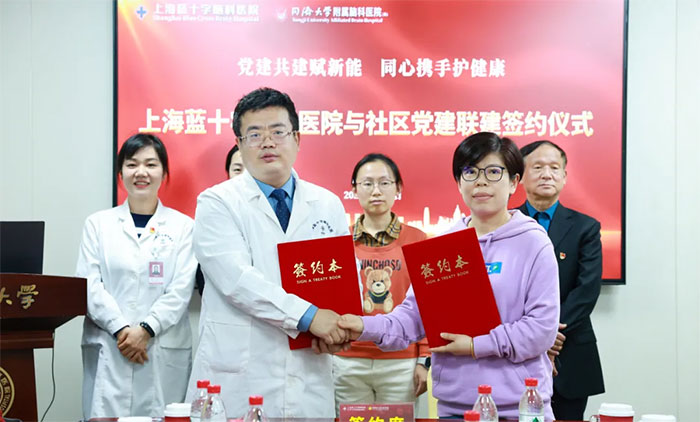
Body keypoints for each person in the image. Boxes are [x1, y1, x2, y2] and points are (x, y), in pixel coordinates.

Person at [338, 132, 560, 421]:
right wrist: (362, 325)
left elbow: (541, 329)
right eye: (470, 172)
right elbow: (412, 318)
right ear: (458, 182)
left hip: (519, 407)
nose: (481, 181)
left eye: (493, 172)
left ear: (513, 181)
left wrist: (475, 346)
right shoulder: (443, 246)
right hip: (456, 406)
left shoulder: (534, 243)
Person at [187, 87, 351, 418]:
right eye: (254, 134)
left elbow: (343, 279)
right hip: (240, 375)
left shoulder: (327, 204)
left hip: (309, 368)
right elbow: (238, 281)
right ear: (239, 144)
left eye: (278, 132)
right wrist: (310, 317)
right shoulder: (216, 202)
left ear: (297, 138)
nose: (267, 142)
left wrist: (338, 328)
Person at [76, 133, 196, 419]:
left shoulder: (184, 227)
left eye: (151, 164)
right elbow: (90, 286)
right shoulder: (98, 225)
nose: (141, 172)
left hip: (161, 345)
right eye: (132, 164)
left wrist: (145, 330)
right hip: (110, 345)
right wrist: (122, 331)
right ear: (121, 174)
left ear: (164, 173)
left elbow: (180, 290)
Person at [333, 153, 429, 412]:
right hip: (348, 360)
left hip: (401, 361)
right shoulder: (338, 241)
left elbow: (427, 306)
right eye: (367, 183)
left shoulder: (418, 240)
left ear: (398, 188)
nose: (376, 190)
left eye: (384, 183)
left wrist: (424, 359)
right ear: (354, 189)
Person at [518, 140, 605, 421]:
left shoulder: (585, 227)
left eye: (555, 168)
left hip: (569, 349)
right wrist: (535, 333)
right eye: (538, 167)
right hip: (517, 349)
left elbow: (587, 290)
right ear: (520, 176)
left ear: (565, 176)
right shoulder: (505, 223)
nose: (547, 174)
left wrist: (550, 332)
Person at [195, 144, 246, 296]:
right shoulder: (211, 209)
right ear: (228, 173)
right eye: (237, 170)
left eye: (251, 170)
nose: (244, 176)